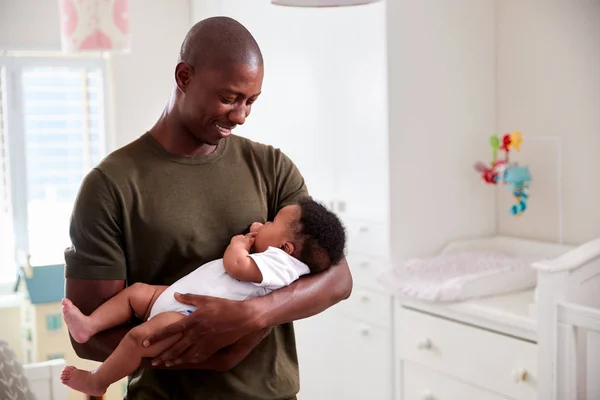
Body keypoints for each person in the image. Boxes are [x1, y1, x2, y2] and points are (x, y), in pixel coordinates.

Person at [64, 16, 353, 400]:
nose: (241, 115)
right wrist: (202, 349)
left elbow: (337, 278)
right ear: (184, 77)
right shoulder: (110, 185)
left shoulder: (271, 167)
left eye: (251, 101)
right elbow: (88, 338)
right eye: (230, 97)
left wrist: (252, 316)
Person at [60, 198, 346, 397]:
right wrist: (262, 235)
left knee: (139, 338)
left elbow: (238, 266)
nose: (263, 223)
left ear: (286, 247)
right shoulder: (281, 259)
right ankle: (90, 325)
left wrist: (238, 244)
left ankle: (99, 381)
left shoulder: (281, 264)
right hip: (178, 299)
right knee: (136, 294)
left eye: (271, 223)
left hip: (187, 317)